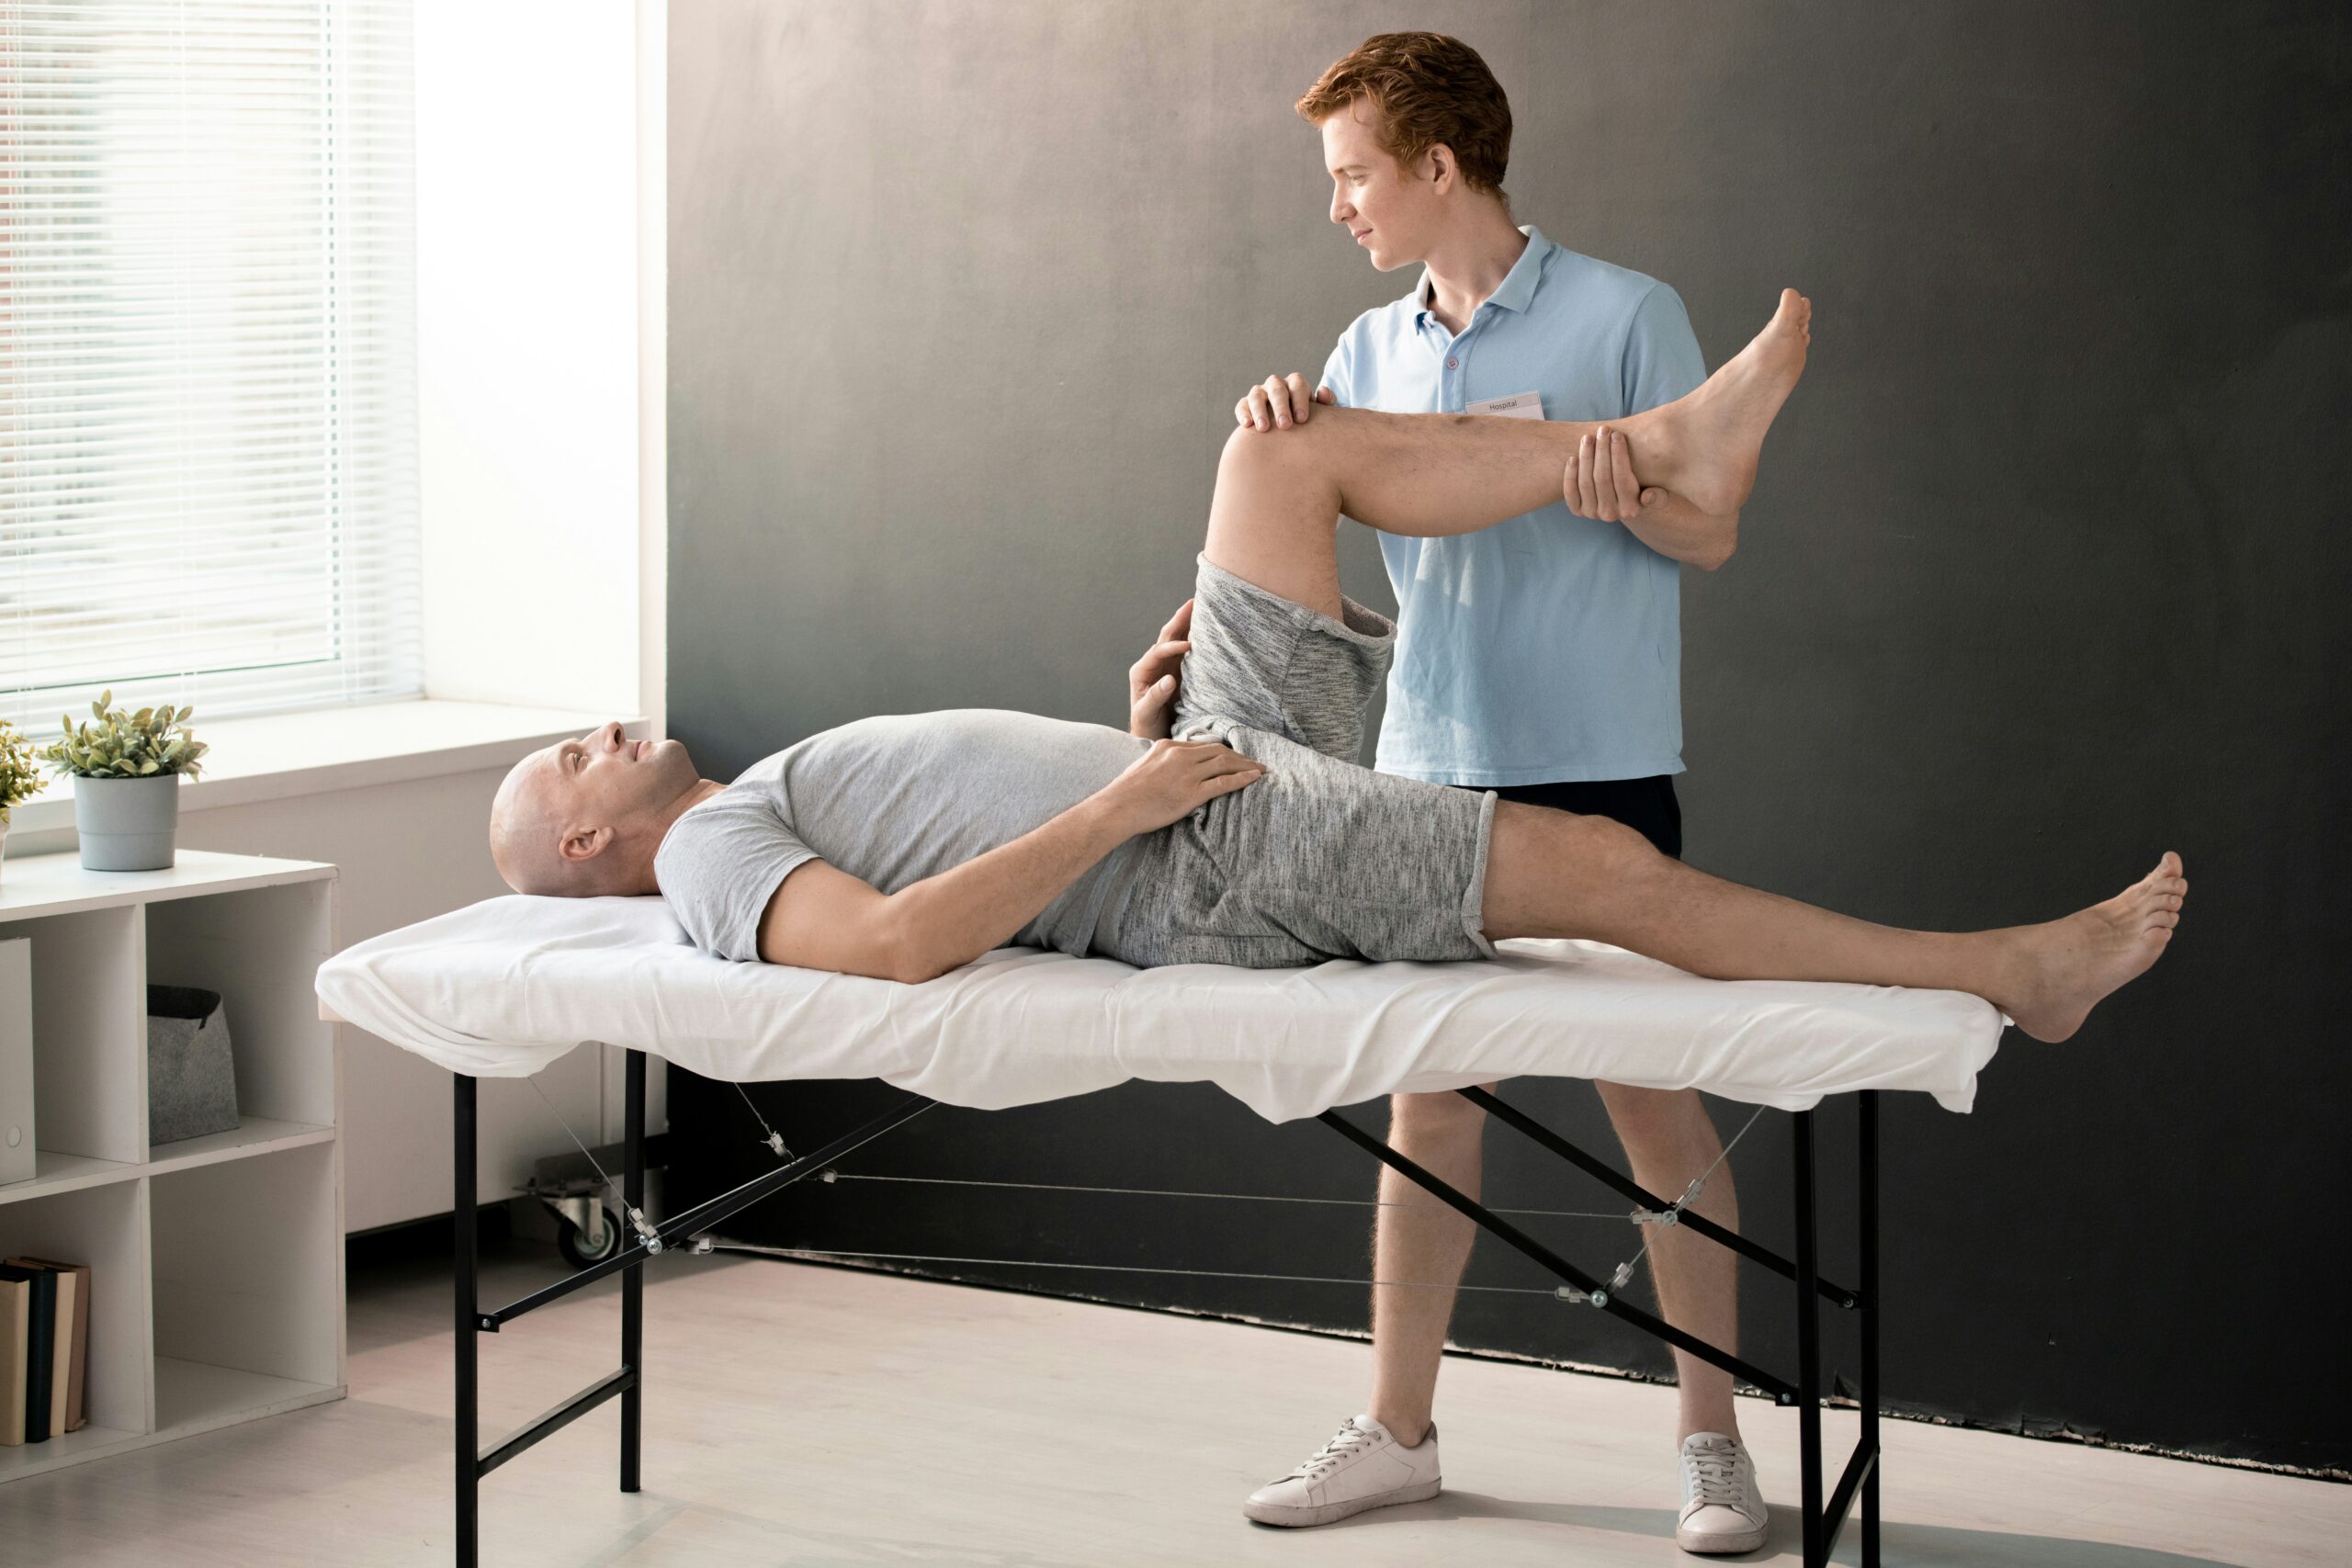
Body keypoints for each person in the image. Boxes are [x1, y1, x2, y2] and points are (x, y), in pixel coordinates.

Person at [488, 288, 2181, 1152]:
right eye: (574, 756)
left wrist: (1123, 741)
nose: (607, 727)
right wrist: (1114, 813)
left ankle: (1671, 443)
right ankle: (2006, 976)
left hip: (1200, 776)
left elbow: (966, 848)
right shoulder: (710, 853)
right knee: (1600, 868)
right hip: (1212, 858)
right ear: (585, 842)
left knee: (1279, 448)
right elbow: (889, 953)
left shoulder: (743, 796)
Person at [1216, 29, 1767, 1547]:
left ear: (1437, 164)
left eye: (1353, 176)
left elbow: (1713, 537)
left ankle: (1713, 1443)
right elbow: (1325, 564)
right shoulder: (1362, 353)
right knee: (1428, 1116)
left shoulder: (1628, 312)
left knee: (1659, 1122)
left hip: (1596, 770)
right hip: (1424, 773)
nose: (1340, 208)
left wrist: (1634, 493)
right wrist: (1287, 437)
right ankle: (1398, 1432)